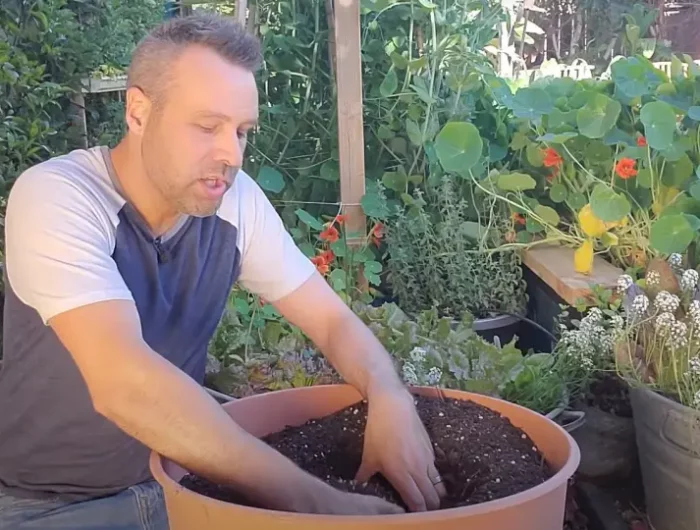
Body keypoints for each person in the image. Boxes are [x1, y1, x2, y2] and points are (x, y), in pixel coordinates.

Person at [0, 12, 446, 529]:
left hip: (181, 479)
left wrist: (389, 396)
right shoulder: (58, 197)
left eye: (241, 131)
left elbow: (331, 322)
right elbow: (123, 382)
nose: (230, 154)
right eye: (207, 126)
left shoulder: (235, 204)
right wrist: (318, 502)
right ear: (139, 112)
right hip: (48, 503)